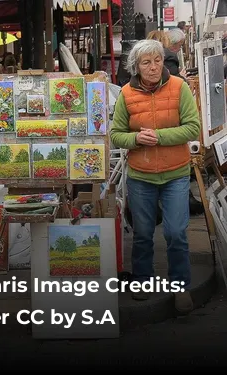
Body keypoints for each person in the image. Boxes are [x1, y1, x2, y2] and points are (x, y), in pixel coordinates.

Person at [110, 40, 200, 314]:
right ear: (135, 67)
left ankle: (180, 287)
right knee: (143, 234)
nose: (153, 67)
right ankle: (142, 281)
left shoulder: (179, 87)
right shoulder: (126, 93)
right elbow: (115, 134)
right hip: (141, 175)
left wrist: (158, 137)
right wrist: (136, 138)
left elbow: (193, 127)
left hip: (175, 174)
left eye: (157, 60)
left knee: (175, 232)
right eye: (146, 62)